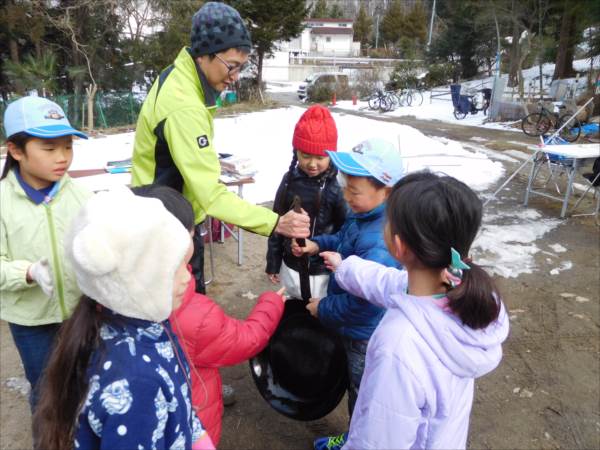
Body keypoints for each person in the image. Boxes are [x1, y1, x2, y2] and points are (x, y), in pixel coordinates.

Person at [321, 171, 510, 450]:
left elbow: (377, 442)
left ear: (399, 245)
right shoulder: (464, 292)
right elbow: (388, 282)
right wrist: (344, 266)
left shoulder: (398, 344)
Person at [131, 1, 309, 296]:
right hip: (165, 227)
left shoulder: (180, 76)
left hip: (167, 211)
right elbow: (210, 195)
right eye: (232, 66)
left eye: (242, 67)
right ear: (205, 54)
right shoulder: (184, 105)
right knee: (184, 313)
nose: (236, 76)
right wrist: (275, 222)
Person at [34, 188, 214, 450]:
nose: (187, 278)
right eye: (174, 269)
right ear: (135, 279)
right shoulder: (137, 381)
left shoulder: (127, 320)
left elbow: (175, 402)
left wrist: (192, 432)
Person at [132, 184, 287, 446]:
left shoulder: (105, 302)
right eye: (192, 236)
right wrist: (271, 304)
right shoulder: (193, 315)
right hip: (190, 423)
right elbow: (245, 340)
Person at [291, 138, 404, 450]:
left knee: (363, 392)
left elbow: (363, 305)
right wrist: (316, 245)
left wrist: (323, 308)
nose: (346, 195)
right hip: (352, 328)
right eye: (345, 187)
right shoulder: (363, 214)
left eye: (354, 191)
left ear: (387, 189)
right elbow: (342, 238)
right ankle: (357, 436)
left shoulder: (379, 241)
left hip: (364, 335)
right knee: (359, 390)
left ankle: (359, 441)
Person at [0, 96, 92, 413]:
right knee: (45, 390)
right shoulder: (3, 203)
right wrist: (26, 273)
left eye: (68, 146)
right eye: (50, 148)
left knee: (86, 381)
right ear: (15, 150)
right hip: (31, 323)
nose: (62, 157)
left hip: (81, 313)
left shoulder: (81, 196)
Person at [266, 105, 346, 299]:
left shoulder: (337, 187)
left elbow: (346, 231)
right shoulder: (289, 180)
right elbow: (276, 222)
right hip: (291, 265)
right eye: (305, 155)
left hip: (323, 270)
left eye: (320, 157)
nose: (312, 163)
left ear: (331, 155)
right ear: (296, 153)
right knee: (294, 307)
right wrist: (273, 261)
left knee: (319, 313)